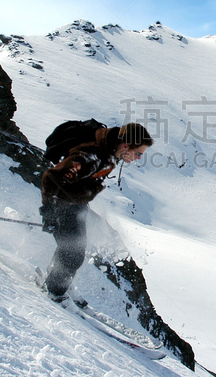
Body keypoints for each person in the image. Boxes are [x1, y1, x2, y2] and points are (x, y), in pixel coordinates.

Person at [40, 122, 153, 303]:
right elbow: (52, 178)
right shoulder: (91, 157)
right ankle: (54, 292)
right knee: (73, 253)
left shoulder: (109, 152)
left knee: (71, 249)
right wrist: (49, 213)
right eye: (138, 153)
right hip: (63, 205)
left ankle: (54, 282)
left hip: (76, 205)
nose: (139, 158)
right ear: (126, 146)